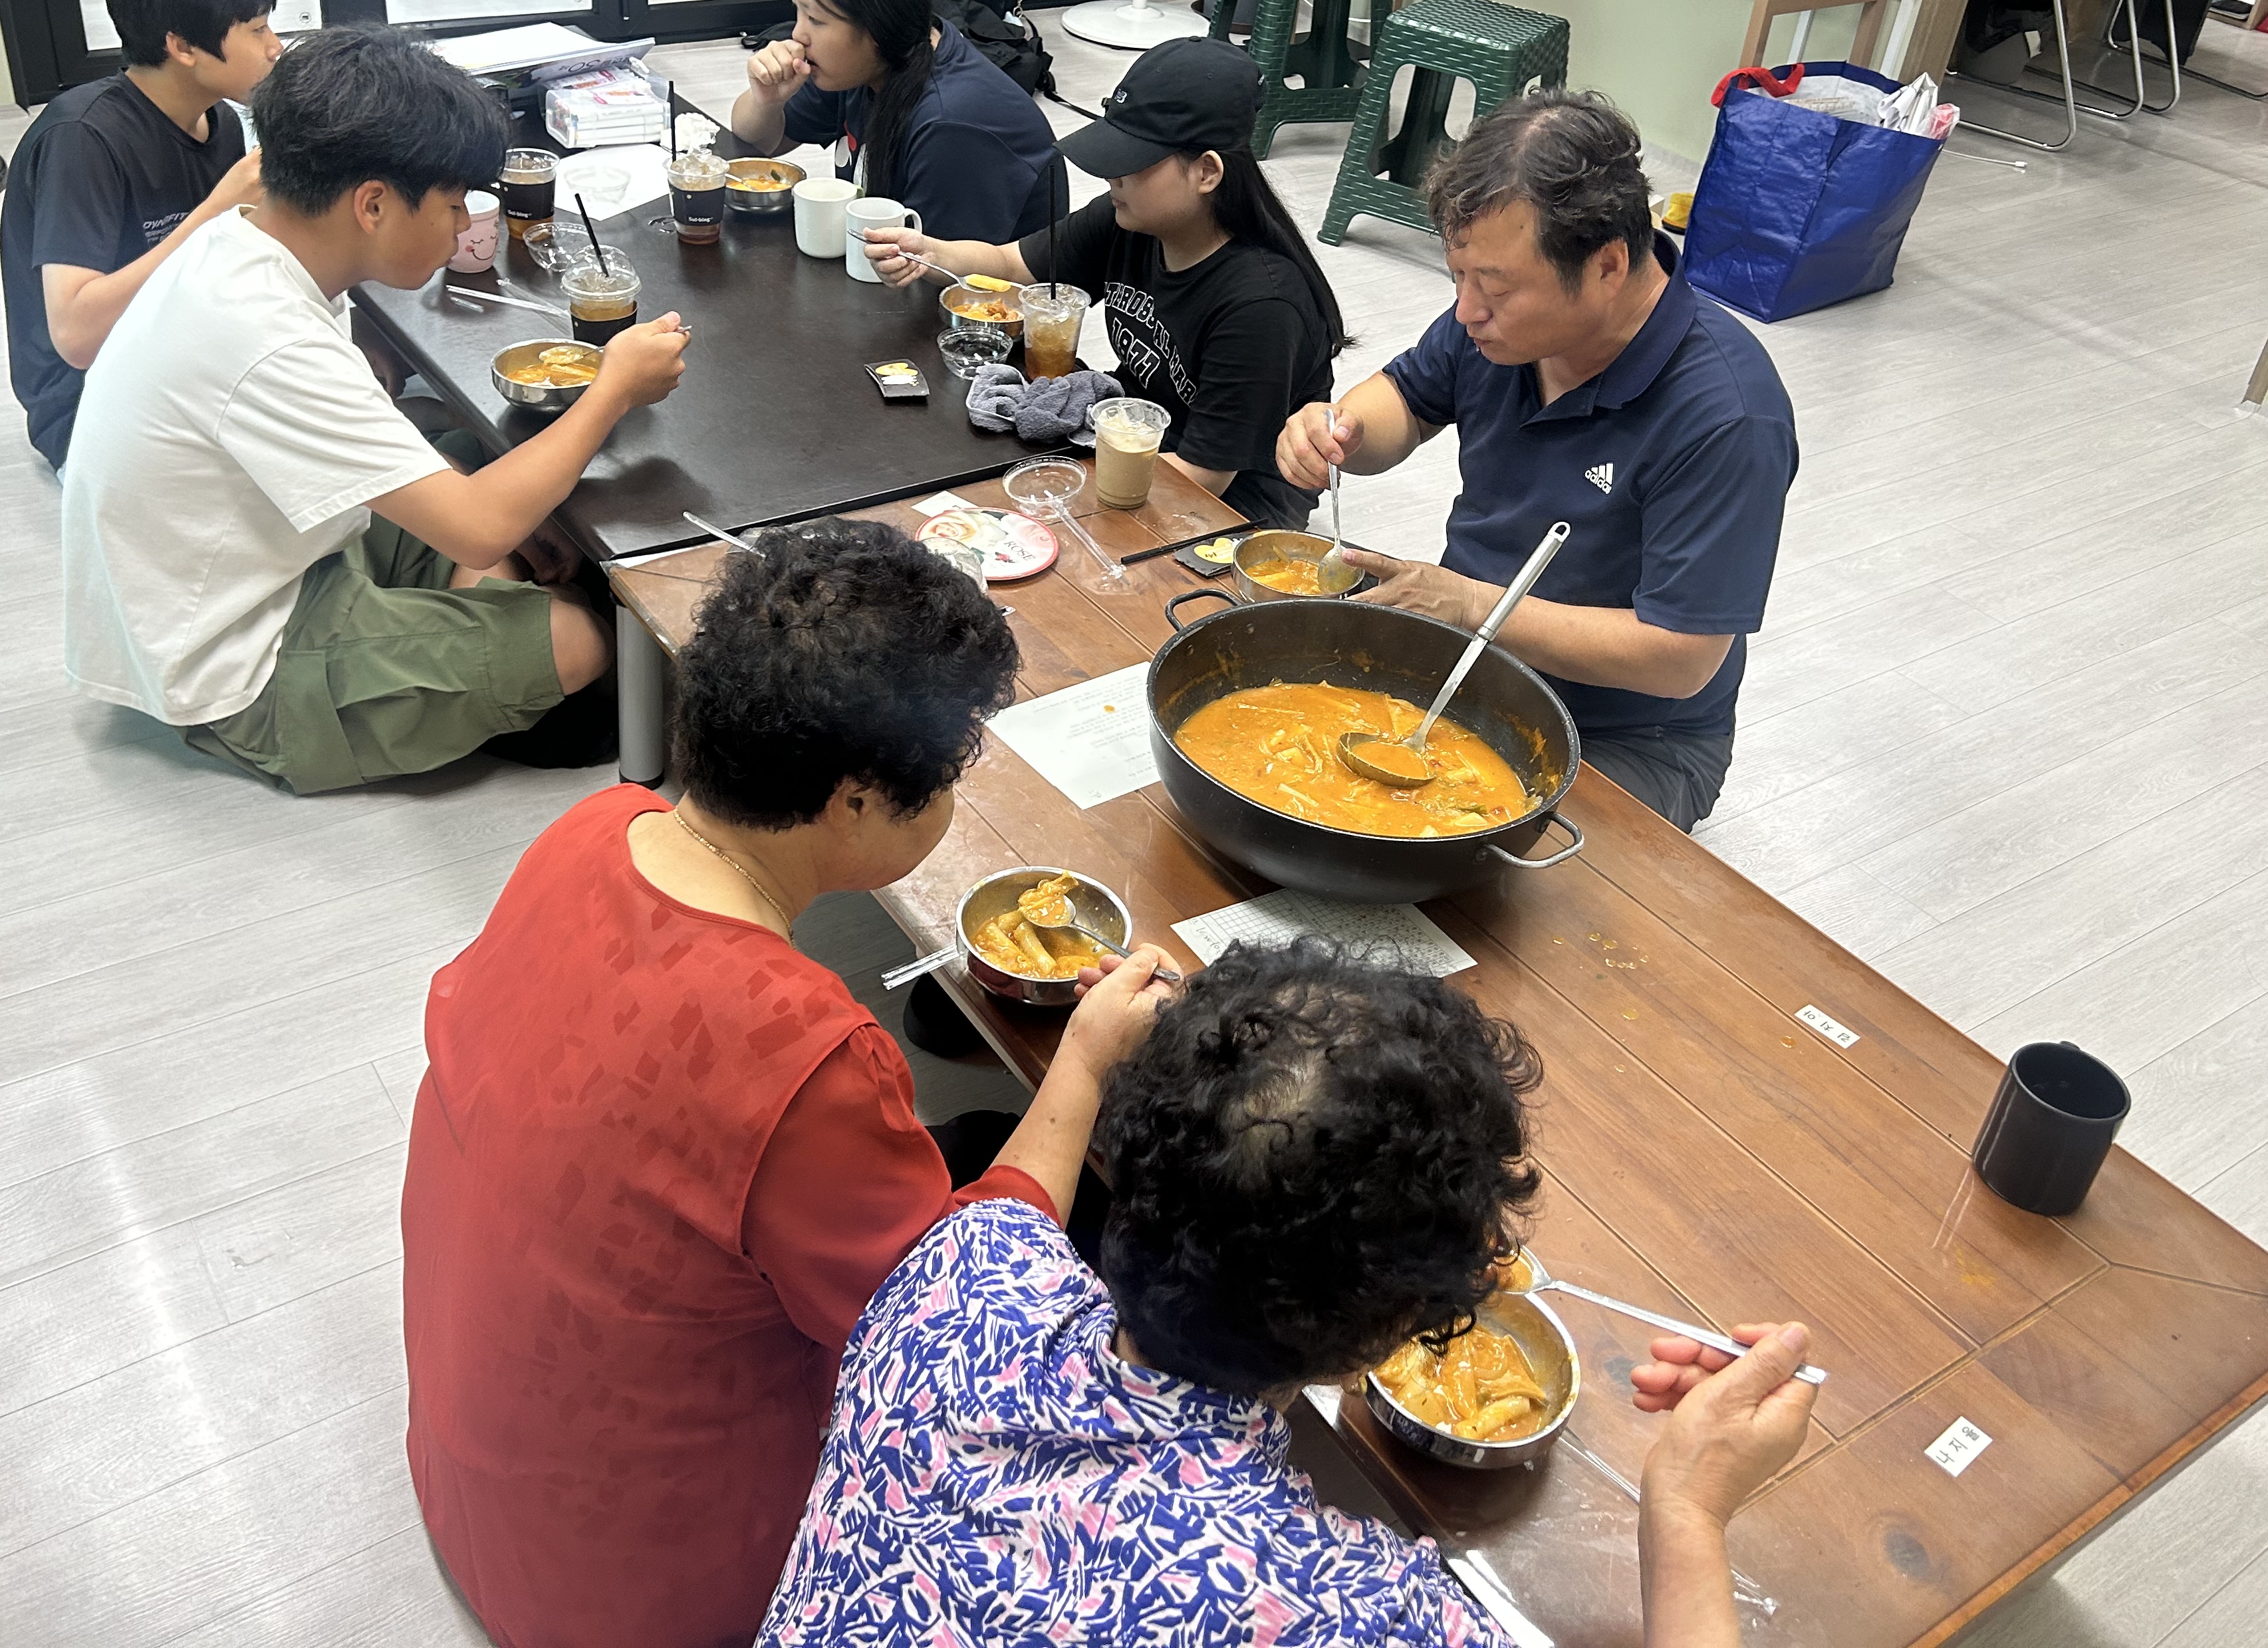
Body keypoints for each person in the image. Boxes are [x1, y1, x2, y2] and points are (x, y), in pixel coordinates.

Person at [400, 519, 1180, 1648]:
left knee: (965, 1141)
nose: (950, 798)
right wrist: (1089, 1059)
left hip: (481, 1485)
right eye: (947, 775)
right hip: (637, 1593)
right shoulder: (806, 1053)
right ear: (855, 799)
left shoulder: (594, 828)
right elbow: (948, 1335)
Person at [757, 939, 1820, 1648]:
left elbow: (1015, 1201)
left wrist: (1082, 1061)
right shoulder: (1338, 1609)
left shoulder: (952, 1277)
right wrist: (1688, 1513)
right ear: (1387, 1336)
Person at [61, 23, 690, 792]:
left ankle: (461, 632)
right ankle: (451, 660)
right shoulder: (265, 336)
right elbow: (480, 526)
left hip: (284, 551)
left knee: (468, 452)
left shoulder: (248, 240)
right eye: (453, 205)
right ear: (373, 204)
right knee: (582, 639)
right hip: (235, 655)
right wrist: (613, 388)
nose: (461, 225)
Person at [1275, 93, 1796, 831]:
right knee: (1289, 765)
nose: (1466, 311)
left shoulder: (1727, 416)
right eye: (1457, 278)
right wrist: (1340, 430)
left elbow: (1680, 659)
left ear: (1608, 265)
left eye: (1494, 288)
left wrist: (1470, 605)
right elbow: (1407, 400)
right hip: (1465, 668)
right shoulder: (1498, 328)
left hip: (1628, 737)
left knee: (1477, 867)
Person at [866, 37, 1343, 529]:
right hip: (1126, 438)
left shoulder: (1261, 306)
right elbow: (1010, 263)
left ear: (1206, 172)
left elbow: (1204, 477)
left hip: (1231, 505)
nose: (1113, 175)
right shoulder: (1130, 221)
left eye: (1133, 160)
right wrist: (930, 253)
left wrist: (1053, 495)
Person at [0, 0, 283, 471]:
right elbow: (76, 336)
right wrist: (216, 212)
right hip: (93, 409)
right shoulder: (82, 138)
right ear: (183, 46)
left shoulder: (220, 121)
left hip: (184, 363)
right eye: (256, 29)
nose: (275, 47)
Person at [721, 0, 1065, 244]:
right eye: (798, 11)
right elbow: (758, 144)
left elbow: (932, 269)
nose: (798, 34)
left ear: (877, 24)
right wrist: (767, 100)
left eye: (815, 19)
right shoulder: (872, 60)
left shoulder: (951, 125)